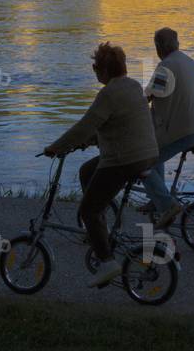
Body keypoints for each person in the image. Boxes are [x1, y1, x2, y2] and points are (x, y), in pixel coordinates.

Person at [44, 41, 158, 288]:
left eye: (96, 67)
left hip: (124, 159)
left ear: (104, 70)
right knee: (87, 171)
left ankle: (107, 262)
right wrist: (93, 140)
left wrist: (56, 147)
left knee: (88, 210)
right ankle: (100, 229)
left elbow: (85, 125)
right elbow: (119, 124)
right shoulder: (133, 85)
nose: (94, 71)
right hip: (146, 153)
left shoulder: (108, 94)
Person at [142, 27, 194, 226]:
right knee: (155, 150)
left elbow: (147, 97)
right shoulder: (189, 61)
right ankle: (157, 199)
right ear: (177, 44)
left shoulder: (166, 67)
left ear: (158, 48)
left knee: (144, 162)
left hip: (184, 131)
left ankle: (166, 205)